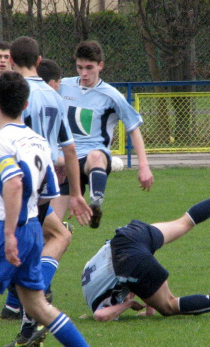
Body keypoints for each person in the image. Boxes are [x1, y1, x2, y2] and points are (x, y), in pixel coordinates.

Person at [0, 71, 89, 347]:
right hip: (34, 228)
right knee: (38, 307)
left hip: (3, 230)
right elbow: (48, 191)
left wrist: (10, 233)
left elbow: (13, 183)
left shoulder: (0, 140)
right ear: (25, 105)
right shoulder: (38, 141)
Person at [2, 36, 92, 344]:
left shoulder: (16, 94)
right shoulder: (55, 97)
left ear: (11, 61)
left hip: (17, 185)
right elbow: (69, 150)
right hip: (44, 187)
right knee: (54, 238)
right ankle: (28, 309)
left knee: (36, 244)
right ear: (39, 61)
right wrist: (77, 193)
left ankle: (29, 311)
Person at [81, 180, 210, 321]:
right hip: (128, 236)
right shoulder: (89, 276)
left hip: (128, 259)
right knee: (184, 222)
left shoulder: (100, 303)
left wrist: (129, 305)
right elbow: (137, 275)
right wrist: (149, 310)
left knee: (169, 306)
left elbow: (100, 315)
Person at [52, 40, 154, 229]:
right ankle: (64, 230)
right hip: (65, 162)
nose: (84, 73)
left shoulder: (111, 95)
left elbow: (133, 128)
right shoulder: (63, 86)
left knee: (97, 155)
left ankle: (95, 204)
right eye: (79, 67)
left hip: (91, 157)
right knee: (51, 227)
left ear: (100, 66)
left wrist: (144, 166)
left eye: (89, 68)